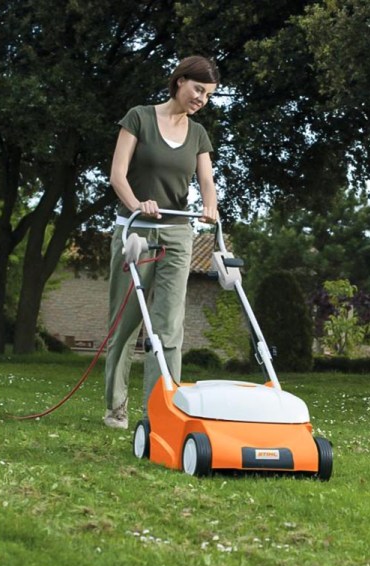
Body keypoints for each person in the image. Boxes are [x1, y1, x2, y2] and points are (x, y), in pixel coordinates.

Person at [103, 55, 220, 429]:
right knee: (126, 322)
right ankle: (115, 406)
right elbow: (117, 174)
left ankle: (160, 408)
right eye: (198, 89)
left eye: (208, 95)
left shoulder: (198, 134)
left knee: (169, 325)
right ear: (180, 81)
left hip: (177, 232)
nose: (201, 99)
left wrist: (210, 207)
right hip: (135, 227)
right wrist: (137, 204)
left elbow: (206, 182)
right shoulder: (138, 117)